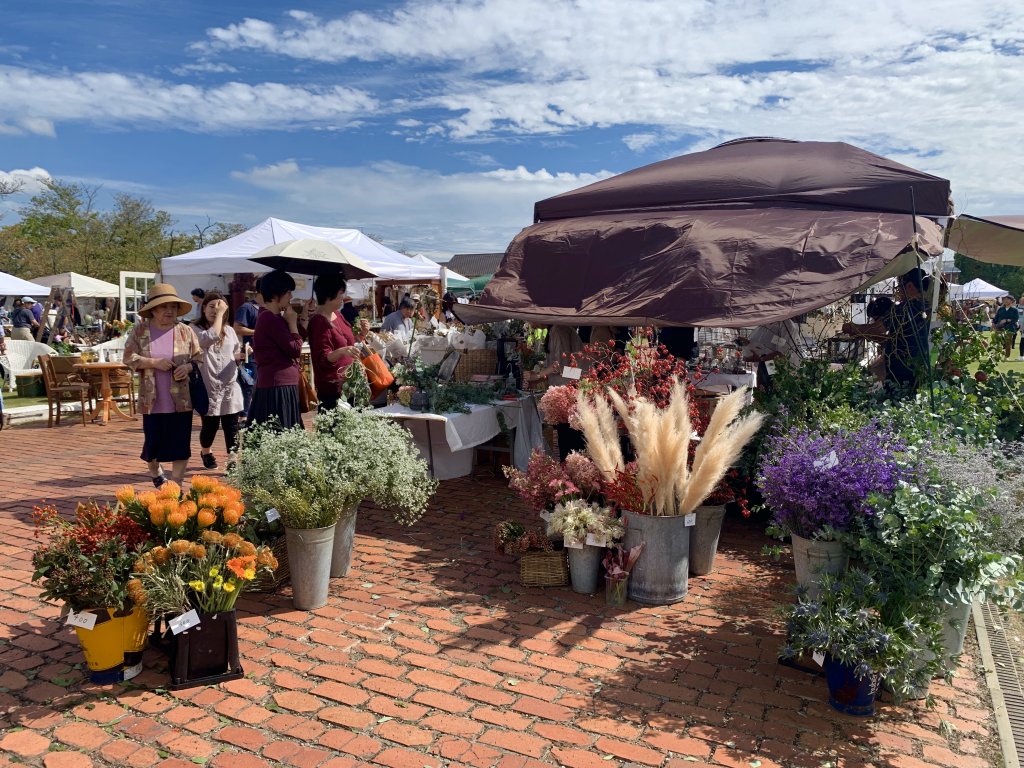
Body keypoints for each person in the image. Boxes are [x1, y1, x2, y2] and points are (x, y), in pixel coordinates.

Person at [122, 284, 202, 488]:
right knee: (152, 445)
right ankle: (155, 471)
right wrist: (154, 362)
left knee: (181, 445)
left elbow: (198, 358)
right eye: (164, 307)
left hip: (181, 399)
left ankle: (176, 486)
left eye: (173, 307)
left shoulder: (185, 331)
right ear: (153, 310)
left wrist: (188, 367)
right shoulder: (140, 331)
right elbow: (128, 358)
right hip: (152, 400)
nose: (169, 311)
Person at [844, 268, 931, 391]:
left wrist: (854, 328)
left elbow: (878, 329)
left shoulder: (903, 309)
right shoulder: (927, 308)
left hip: (900, 371)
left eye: (900, 286)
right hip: (919, 369)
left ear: (910, 286)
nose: (899, 291)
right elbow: (896, 338)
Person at [248, 270, 308, 430]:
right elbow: (294, 349)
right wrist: (293, 324)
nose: (291, 297)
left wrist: (302, 319)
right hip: (277, 386)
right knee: (280, 433)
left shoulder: (275, 318)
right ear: (275, 295)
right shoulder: (269, 318)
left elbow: (295, 339)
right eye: (288, 292)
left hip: (280, 384)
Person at [193, 291, 244, 469]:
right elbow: (208, 339)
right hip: (209, 385)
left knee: (232, 426)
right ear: (203, 309)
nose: (215, 310)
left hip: (229, 384)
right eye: (211, 306)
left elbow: (234, 351)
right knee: (210, 427)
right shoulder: (196, 329)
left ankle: (232, 460)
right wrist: (220, 315)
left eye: (219, 307)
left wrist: (242, 355)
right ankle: (206, 450)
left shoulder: (229, 331)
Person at [309, 274, 368, 412]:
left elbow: (350, 342)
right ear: (329, 296)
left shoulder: (338, 315)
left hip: (350, 383)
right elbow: (323, 359)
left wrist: (362, 335)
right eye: (340, 294)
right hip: (333, 388)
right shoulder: (318, 322)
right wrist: (341, 351)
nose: (343, 298)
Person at [233, 288, 261, 416]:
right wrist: (259, 331)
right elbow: (237, 328)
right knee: (249, 385)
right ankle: (244, 415)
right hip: (250, 355)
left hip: (265, 355)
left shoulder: (272, 309)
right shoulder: (247, 307)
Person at [993, 295, 1020, 360]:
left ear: (1011, 301)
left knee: (1008, 343)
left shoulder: (1014, 310)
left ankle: (1006, 356)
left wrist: (1007, 320)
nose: (1005, 300)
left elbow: (1016, 319)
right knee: (998, 342)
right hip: (999, 327)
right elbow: (996, 317)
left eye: (1007, 299)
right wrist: (993, 323)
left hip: (1009, 328)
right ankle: (997, 355)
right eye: (1005, 299)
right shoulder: (1001, 309)